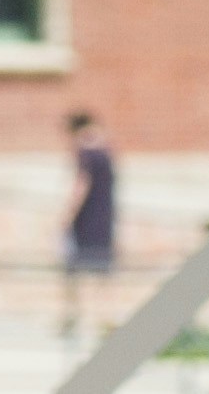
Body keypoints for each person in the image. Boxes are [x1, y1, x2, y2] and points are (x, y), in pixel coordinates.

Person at [60, 109, 119, 335]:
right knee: (102, 270)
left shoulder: (85, 151)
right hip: (104, 216)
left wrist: (67, 215)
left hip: (86, 218)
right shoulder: (106, 150)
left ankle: (73, 315)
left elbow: (81, 185)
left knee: (73, 268)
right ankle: (106, 316)